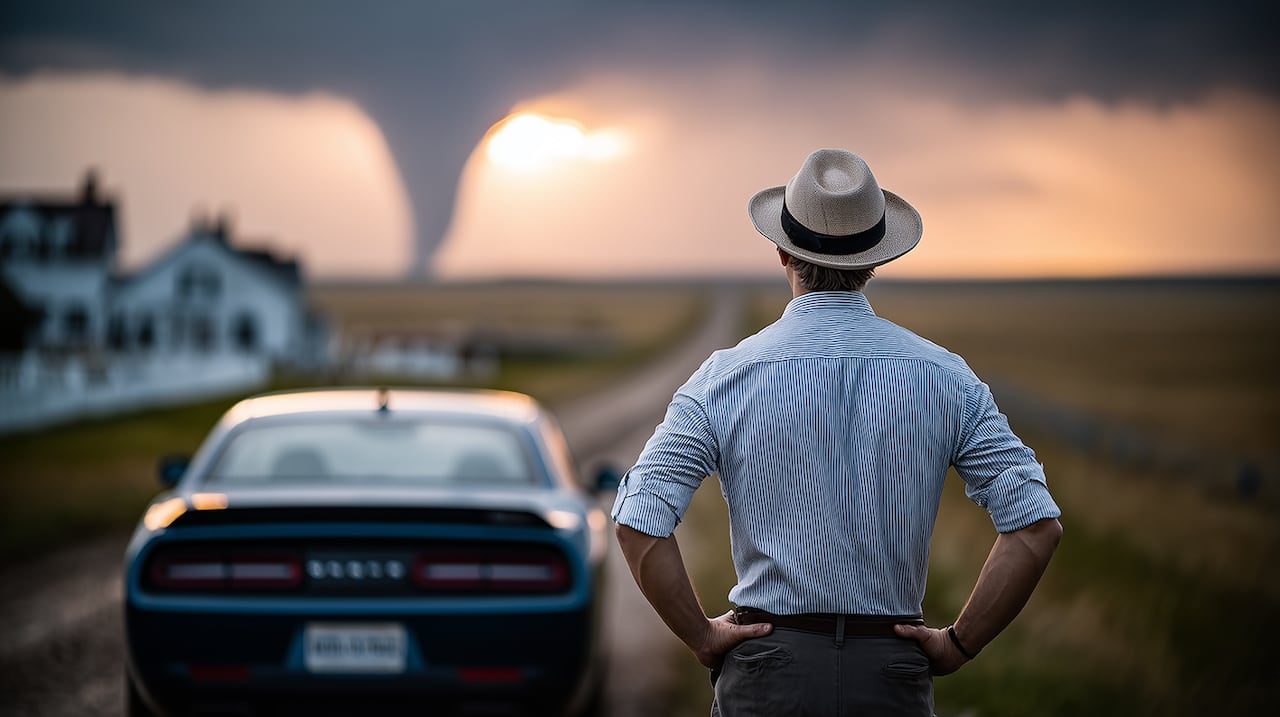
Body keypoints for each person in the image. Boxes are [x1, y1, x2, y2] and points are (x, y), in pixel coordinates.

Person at [611, 148, 1063, 715]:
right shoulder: (946, 378)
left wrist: (701, 636)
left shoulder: (725, 378)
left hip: (767, 676)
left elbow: (637, 522)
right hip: (890, 677)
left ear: (782, 251)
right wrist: (958, 644)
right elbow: (1035, 529)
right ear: (876, 258)